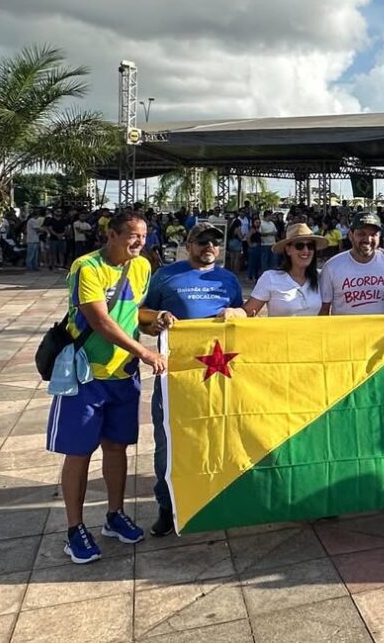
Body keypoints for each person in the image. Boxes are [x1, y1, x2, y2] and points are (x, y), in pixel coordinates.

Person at [47, 210, 169, 564]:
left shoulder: (143, 266)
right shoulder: (87, 267)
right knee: (79, 452)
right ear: (111, 235)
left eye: (144, 236)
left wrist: (155, 321)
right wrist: (144, 352)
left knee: (117, 448)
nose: (139, 242)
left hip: (123, 375)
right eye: (132, 235)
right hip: (86, 376)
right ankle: (74, 529)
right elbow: (99, 319)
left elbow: (135, 311)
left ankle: (114, 514)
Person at [142, 222, 246, 537]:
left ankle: (215, 496)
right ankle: (166, 505)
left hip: (220, 374)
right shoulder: (166, 276)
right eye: (201, 242)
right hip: (176, 374)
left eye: (214, 242)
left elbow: (243, 317)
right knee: (169, 441)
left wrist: (239, 315)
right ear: (189, 245)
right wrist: (156, 320)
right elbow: (142, 316)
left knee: (218, 435)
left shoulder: (228, 279)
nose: (208, 247)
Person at [320, 213, 384, 316]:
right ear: (351, 236)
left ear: (379, 237)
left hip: (381, 331)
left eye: (373, 235)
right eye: (361, 234)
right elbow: (324, 309)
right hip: (344, 331)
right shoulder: (332, 266)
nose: (368, 239)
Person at [244, 223, 326, 317]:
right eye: (299, 246)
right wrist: (233, 313)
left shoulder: (322, 277)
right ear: (288, 250)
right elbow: (247, 311)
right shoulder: (270, 278)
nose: (306, 251)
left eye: (310, 246)